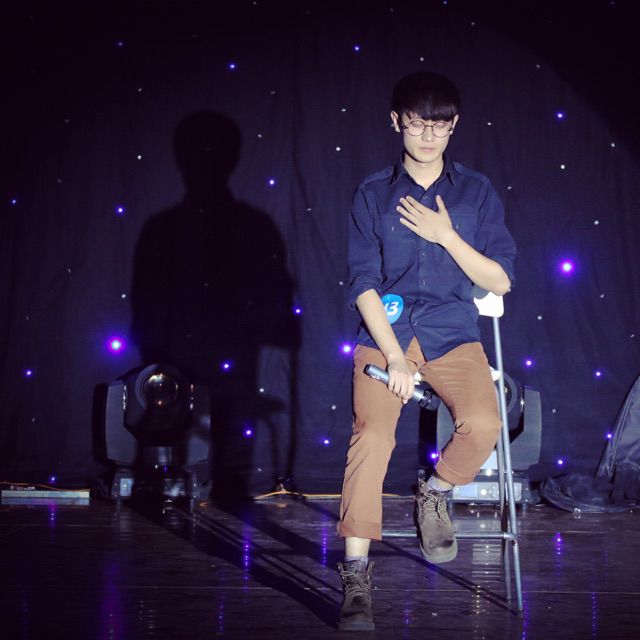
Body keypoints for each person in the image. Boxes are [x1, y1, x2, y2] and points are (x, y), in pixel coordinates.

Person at [336, 71, 516, 631]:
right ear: (397, 122)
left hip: (451, 332)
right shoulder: (372, 193)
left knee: (484, 423)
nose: (429, 136)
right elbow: (363, 283)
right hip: (385, 336)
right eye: (417, 125)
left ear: (454, 126)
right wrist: (392, 357)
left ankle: (434, 492)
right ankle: (356, 577)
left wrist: (447, 235)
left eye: (440, 126)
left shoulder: (476, 192)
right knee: (372, 438)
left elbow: (500, 280)